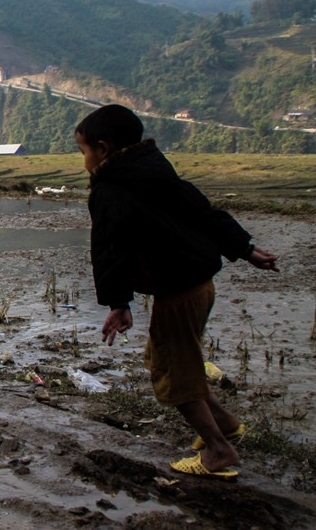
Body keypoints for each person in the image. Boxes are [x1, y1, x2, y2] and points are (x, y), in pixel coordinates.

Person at [76, 104, 278, 480]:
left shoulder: (110, 189)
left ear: (103, 149)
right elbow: (203, 211)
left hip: (177, 291)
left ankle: (219, 450)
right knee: (164, 358)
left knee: (173, 375)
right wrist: (245, 249)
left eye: (84, 151)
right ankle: (227, 424)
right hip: (199, 284)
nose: (84, 159)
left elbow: (109, 251)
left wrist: (119, 303)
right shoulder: (155, 169)